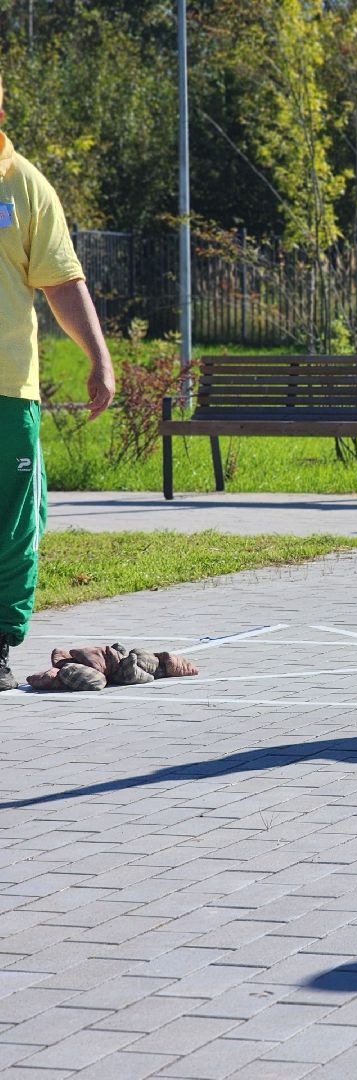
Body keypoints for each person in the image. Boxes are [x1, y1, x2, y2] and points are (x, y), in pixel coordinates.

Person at [0, 74, 114, 692]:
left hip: (5, 388)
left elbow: (62, 282)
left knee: (13, 522)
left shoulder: (23, 186)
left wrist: (99, 358)